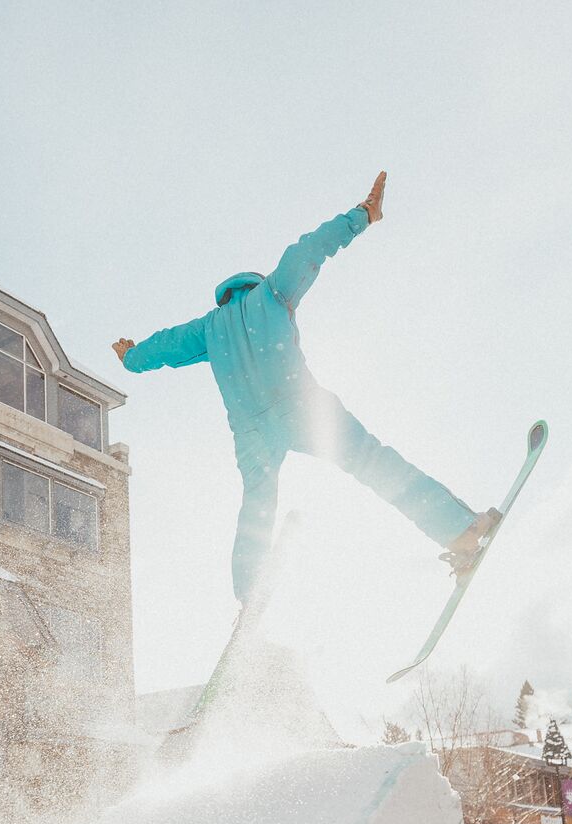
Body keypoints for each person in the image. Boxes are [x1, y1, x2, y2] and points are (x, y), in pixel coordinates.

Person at [113, 172, 497, 603]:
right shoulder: (272, 292)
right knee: (374, 463)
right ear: (252, 284)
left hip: (251, 434)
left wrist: (131, 356)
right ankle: (459, 530)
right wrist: (362, 216)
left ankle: (249, 597)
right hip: (301, 406)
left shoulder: (208, 329)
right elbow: (309, 249)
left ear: (224, 296)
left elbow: (163, 346)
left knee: (256, 508)